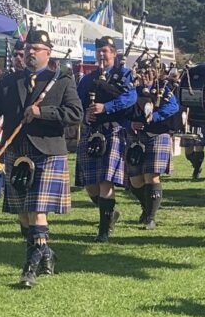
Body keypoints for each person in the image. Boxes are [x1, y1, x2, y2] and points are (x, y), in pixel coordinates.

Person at [0, 29, 82, 288]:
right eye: (28, 47)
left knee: (36, 212)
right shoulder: (9, 81)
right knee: (23, 215)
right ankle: (45, 252)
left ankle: (29, 269)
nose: (31, 52)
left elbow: (75, 113)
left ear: (48, 52)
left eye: (36, 48)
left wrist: (41, 112)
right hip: (16, 150)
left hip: (48, 152)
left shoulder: (62, 79)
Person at [76, 36, 137, 242]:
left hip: (113, 130)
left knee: (105, 182)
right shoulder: (88, 78)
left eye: (106, 51)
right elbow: (76, 102)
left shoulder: (125, 75)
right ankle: (110, 213)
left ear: (114, 53)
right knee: (90, 185)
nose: (102, 55)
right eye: (99, 51)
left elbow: (131, 98)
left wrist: (106, 107)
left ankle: (103, 232)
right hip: (91, 131)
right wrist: (85, 114)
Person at [126, 58, 180, 229]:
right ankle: (146, 206)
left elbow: (173, 107)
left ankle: (150, 217)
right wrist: (130, 123)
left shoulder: (163, 89)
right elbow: (123, 108)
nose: (145, 75)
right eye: (142, 71)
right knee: (135, 180)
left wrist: (154, 117)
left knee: (151, 175)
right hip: (136, 136)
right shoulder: (132, 89)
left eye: (149, 72)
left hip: (158, 133)